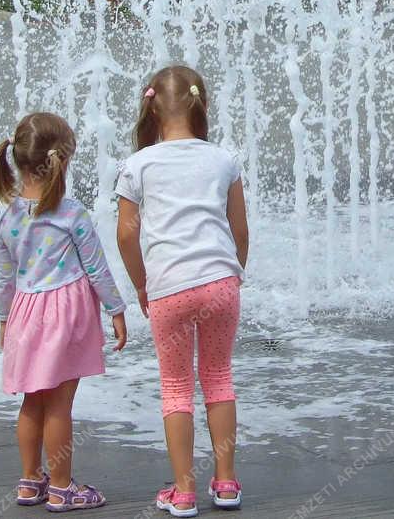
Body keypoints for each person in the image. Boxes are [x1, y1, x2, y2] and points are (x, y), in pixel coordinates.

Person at [115, 66, 249, 518]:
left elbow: (125, 236)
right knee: (219, 377)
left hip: (169, 287)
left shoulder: (137, 166)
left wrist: (141, 283)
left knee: (175, 386)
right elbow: (239, 229)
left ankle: (184, 490)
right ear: (202, 106)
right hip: (219, 284)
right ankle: (227, 482)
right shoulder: (223, 159)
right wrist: (233, 275)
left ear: (150, 108)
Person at [0, 112, 128, 511]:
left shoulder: (3, 213)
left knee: (32, 401)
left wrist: (4, 319)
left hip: (25, 311)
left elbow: (2, 277)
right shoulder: (72, 214)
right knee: (59, 405)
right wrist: (116, 309)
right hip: (65, 315)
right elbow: (96, 267)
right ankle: (63, 487)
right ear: (62, 162)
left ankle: (30, 480)